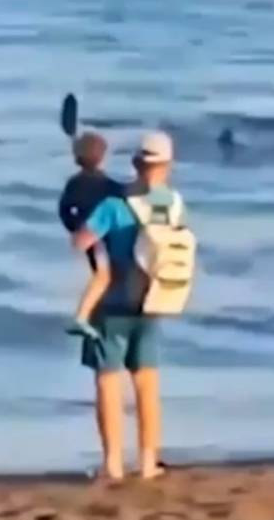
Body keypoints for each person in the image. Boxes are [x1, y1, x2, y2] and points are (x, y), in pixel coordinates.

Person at [72, 131, 183, 480]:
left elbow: (81, 242)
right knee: (147, 382)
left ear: (136, 163)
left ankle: (114, 465)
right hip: (153, 299)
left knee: (108, 381)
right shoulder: (174, 204)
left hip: (114, 300)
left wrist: (80, 212)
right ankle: (149, 463)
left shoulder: (113, 206)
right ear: (168, 165)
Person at [58, 132, 122, 339]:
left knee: (100, 273)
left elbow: (64, 209)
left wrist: (75, 228)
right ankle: (82, 317)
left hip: (86, 233)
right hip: (101, 235)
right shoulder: (109, 185)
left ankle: (87, 313)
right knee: (104, 275)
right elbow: (123, 201)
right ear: (103, 157)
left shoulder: (74, 183)